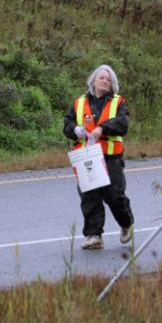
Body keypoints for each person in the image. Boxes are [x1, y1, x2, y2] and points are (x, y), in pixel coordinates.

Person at [64, 64, 134, 250]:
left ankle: (126, 223)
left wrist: (103, 128)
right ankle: (94, 235)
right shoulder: (79, 102)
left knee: (114, 195)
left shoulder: (118, 102)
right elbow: (67, 124)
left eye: (109, 79)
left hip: (110, 155)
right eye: (102, 77)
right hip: (86, 155)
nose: (105, 81)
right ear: (93, 80)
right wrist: (75, 130)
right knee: (90, 195)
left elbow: (123, 124)